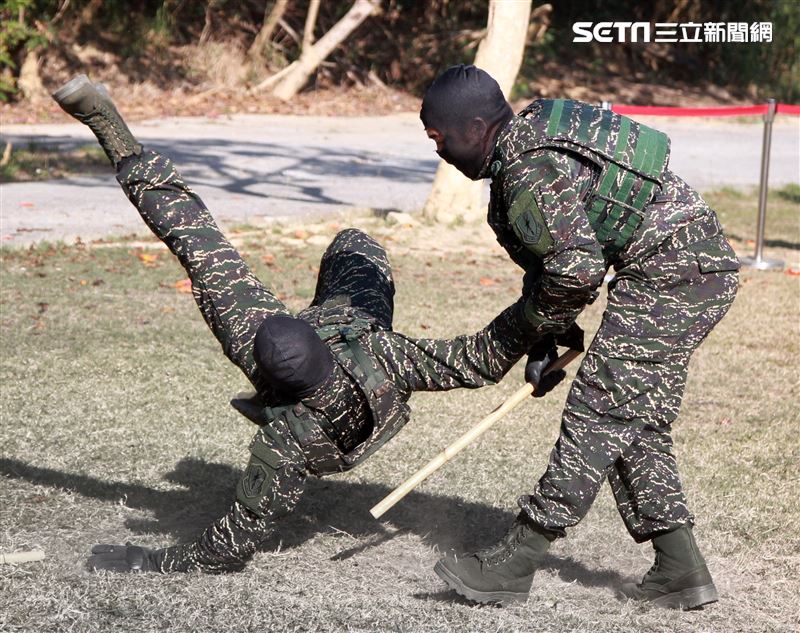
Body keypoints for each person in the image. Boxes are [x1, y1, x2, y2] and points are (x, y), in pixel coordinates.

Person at [51, 74, 541, 575]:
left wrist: (150, 561)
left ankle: (107, 125)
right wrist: (542, 318)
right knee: (356, 243)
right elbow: (479, 360)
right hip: (346, 337)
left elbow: (229, 544)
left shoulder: (287, 439)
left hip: (308, 350)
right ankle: (103, 118)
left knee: (198, 243)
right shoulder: (381, 362)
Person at [419, 65, 740, 609]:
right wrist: (547, 337)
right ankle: (679, 568)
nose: (439, 151)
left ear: (475, 128)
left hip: (677, 274)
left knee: (597, 409)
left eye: (438, 138)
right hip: (686, 269)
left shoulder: (526, 167)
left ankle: (519, 558)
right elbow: (555, 262)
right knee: (630, 420)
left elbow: (575, 271)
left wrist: (527, 329)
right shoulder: (530, 137)